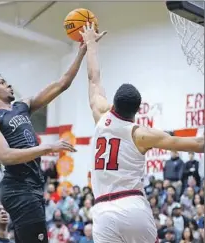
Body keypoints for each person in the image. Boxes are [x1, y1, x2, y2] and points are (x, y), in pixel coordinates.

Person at [79, 22, 204, 243]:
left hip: (102, 211)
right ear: (138, 110)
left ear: (113, 103)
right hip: (132, 206)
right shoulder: (140, 134)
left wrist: (90, 43)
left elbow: (93, 78)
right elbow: (198, 144)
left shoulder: (100, 114)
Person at [0, 41, 89, 242]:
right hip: (18, 188)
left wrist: (82, 51)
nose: (8, 84)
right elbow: (6, 156)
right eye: (1, 82)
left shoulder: (21, 106)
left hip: (33, 186)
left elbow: (62, 83)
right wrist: (46, 147)